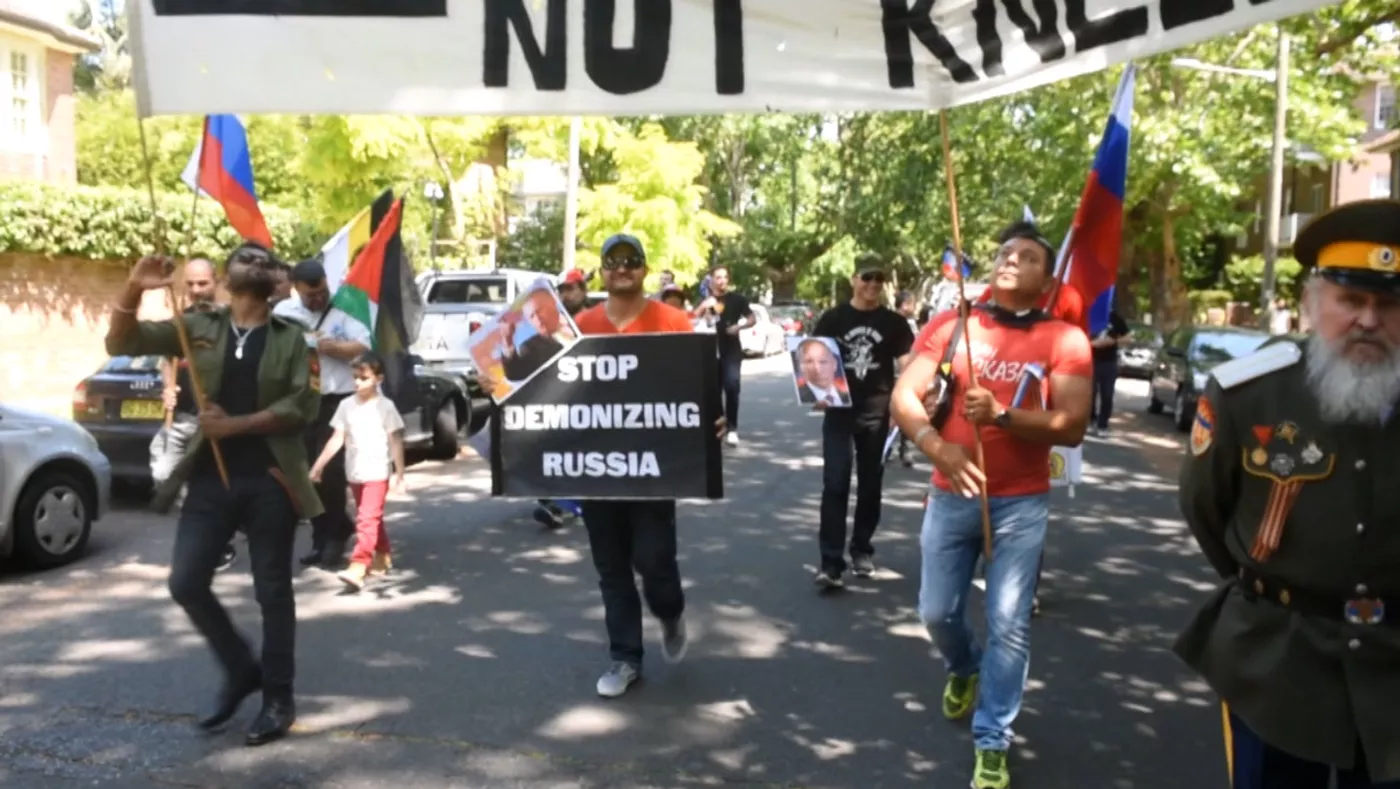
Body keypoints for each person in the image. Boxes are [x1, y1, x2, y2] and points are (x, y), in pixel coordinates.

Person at [1174, 199, 1400, 789]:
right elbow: (1204, 506)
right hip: (1274, 658)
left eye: (1389, 304)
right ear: (1314, 301)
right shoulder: (1249, 393)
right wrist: (1272, 580)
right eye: (1351, 300)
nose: (1369, 319)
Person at [890, 221, 1092, 789]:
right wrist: (937, 447)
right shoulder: (953, 324)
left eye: (1027, 256)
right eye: (1005, 252)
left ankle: (993, 739)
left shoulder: (1065, 340)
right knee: (936, 612)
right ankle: (964, 666)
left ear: (1047, 281)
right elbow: (904, 397)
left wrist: (1002, 415)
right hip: (949, 495)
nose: (1011, 260)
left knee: (1009, 624)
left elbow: (1072, 426)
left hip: (1021, 504)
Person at [106, 243, 322, 747]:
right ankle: (241, 668)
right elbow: (121, 342)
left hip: (271, 478)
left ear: (277, 282)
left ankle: (278, 698)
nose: (254, 260)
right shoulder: (198, 326)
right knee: (185, 581)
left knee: (272, 591)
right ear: (227, 276)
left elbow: (303, 405)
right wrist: (134, 288)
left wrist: (238, 425)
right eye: (245, 256)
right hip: (210, 477)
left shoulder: (295, 339)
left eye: (264, 259)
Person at [571, 232, 726, 699]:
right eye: (612, 261)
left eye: (631, 260)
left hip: (654, 467)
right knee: (611, 567)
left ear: (644, 268)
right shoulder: (581, 326)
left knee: (654, 559)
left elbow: (696, 382)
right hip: (596, 468)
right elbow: (544, 387)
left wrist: (712, 415)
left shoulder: (673, 321)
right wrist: (496, 382)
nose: (622, 268)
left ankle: (670, 610)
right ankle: (625, 657)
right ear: (601, 271)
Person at [811, 258, 914, 587]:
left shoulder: (895, 323)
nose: (873, 284)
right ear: (853, 279)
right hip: (839, 411)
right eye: (867, 277)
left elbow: (908, 367)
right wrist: (816, 391)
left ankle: (861, 549)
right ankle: (830, 563)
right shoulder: (833, 318)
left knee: (870, 485)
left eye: (879, 279)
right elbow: (813, 360)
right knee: (835, 483)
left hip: (877, 413)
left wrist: (902, 404)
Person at [275, 258, 371, 569]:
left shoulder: (344, 309)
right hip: (303, 399)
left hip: (337, 400)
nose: (318, 299)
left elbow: (363, 343)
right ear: (296, 289)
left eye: (322, 293)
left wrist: (337, 348)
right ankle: (325, 533)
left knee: (329, 472)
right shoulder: (284, 313)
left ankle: (334, 538)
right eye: (310, 295)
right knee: (305, 474)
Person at [150, 258, 240, 568]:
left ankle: (217, 543)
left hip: (215, 421)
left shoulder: (230, 321)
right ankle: (206, 534)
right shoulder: (180, 321)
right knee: (164, 476)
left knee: (215, 486)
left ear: (217, 282)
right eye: (190, 284)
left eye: (202, 283)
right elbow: (167, 359)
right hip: (181, 419)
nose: (196, 289)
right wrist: (168, 386)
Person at [309, 352, 406, 592]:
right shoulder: (346, 405)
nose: (357, 383)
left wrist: (399, 474)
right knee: (371, 517)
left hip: (377, 472)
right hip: (355, 472)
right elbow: (337, 438)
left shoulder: (386, 407)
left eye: (364, 378)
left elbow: (396, 441)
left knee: (366, 519)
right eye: (355, 377)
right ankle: (382, 552)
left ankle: (358, 565)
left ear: (378, 379)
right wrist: (318, 466)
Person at [533, 270, 589, 530]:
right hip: (556, 396)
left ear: (583, 290)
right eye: (562, 290)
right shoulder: (551, 322)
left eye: (571, 289)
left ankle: (571, 504)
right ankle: (552, 504)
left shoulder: (593, 319)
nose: (566, 294)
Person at [692, 265, 753, 446]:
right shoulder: (703, 299)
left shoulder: (737, 299)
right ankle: (719, 426)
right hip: (709, 349)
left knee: (732, 385)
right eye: (718, 277)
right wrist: (704, 306)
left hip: (731, 348)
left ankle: (733, 428)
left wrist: (739, 326)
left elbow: (752, 318)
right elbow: (690, 319)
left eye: (725, 277)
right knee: (713, 390)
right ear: (710, 280)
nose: (722, 281)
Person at [499, 289, 572, 382]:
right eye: (532, 316)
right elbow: (515, 374)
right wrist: (507, 341)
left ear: (552, 305)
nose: (538, 318)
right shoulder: (531, 347)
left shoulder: (578, 322)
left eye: (540, 310)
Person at [1088, 309, 1130, 436]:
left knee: (1107, 394)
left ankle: (1103, 424)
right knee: (1090, 393)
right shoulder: (1090, 314)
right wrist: (1091, 344)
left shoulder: (1114, 317)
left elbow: (1128, 337)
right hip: (1090, 359)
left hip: (1109, 362)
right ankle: (1091, 419)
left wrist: (1113, 341)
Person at [891, 290, 921, 466]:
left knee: (905, 410)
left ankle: (905, 449)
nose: (914, 308)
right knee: (894, 410)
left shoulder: (911, 323)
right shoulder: (893, 323)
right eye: (912, 304)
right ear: (904, 305)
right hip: (896, 372)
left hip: (905, 371)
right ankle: (888, 447)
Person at [793, 338, 851, 407]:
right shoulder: (801, 397)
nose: (818, 368)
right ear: (800, 366)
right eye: (809, 362)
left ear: (834, 364)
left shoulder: (846, 396)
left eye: (823, 362)